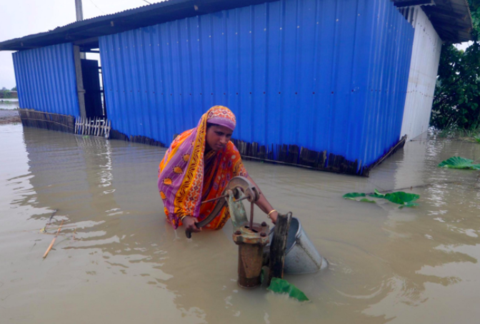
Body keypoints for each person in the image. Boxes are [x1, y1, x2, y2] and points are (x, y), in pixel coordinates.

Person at [158, 105, 278, 234]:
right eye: (219, 133)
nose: (223, 140)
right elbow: (165, 182)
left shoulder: (227, 149)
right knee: (178, 229)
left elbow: (244, 178)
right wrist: (183, 215)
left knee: (205, 230)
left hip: (205, 191)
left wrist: (272, 212)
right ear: (205, 128)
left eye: (228, 135)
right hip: (180, 195)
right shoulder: (185, 148)